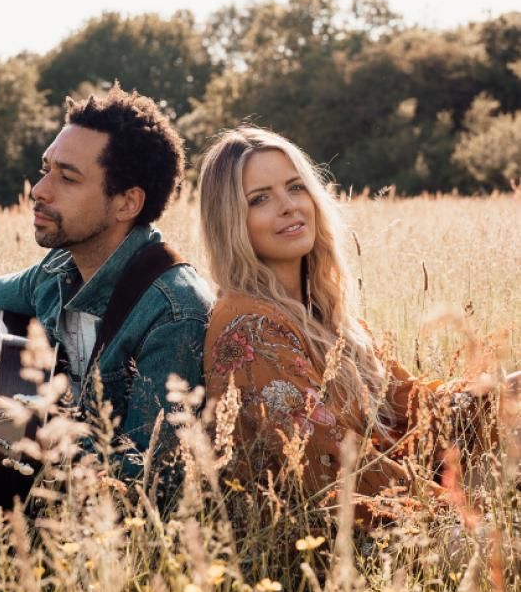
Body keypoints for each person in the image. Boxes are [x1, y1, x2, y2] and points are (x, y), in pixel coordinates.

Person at [199, 126, 517, 525]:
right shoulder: (249, 327)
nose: (288, 206)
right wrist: (468, 518)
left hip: (401, 498)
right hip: (339, 540)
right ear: (230, 221)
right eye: (259, 199)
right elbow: (336, 468)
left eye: (295, 187)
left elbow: (411, 408)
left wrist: (502, 395)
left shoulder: (325, 312)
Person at [0, 84, 213, 488]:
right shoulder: (57, 271)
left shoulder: (174, 312)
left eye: (67, 177)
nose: (39, 190)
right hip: (27, 514)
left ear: (126, 203)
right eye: (47, 169)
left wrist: (30, 438)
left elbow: (150, 475)